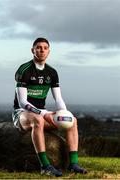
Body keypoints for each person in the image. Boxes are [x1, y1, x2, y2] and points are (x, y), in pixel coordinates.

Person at [12, 37, 87, 177]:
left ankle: (73, 164)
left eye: (45, 48)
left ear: (49, 52)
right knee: (38, 120)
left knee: (73, 121)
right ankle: (45, 166)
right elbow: (22, 102)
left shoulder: (52, 72)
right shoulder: (24, 70)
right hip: (22, 113)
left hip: (42, 112)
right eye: (38, 47)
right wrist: (43, 113)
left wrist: (64, 112)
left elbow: (58, 98)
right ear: (32, 50)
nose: (42, 50)